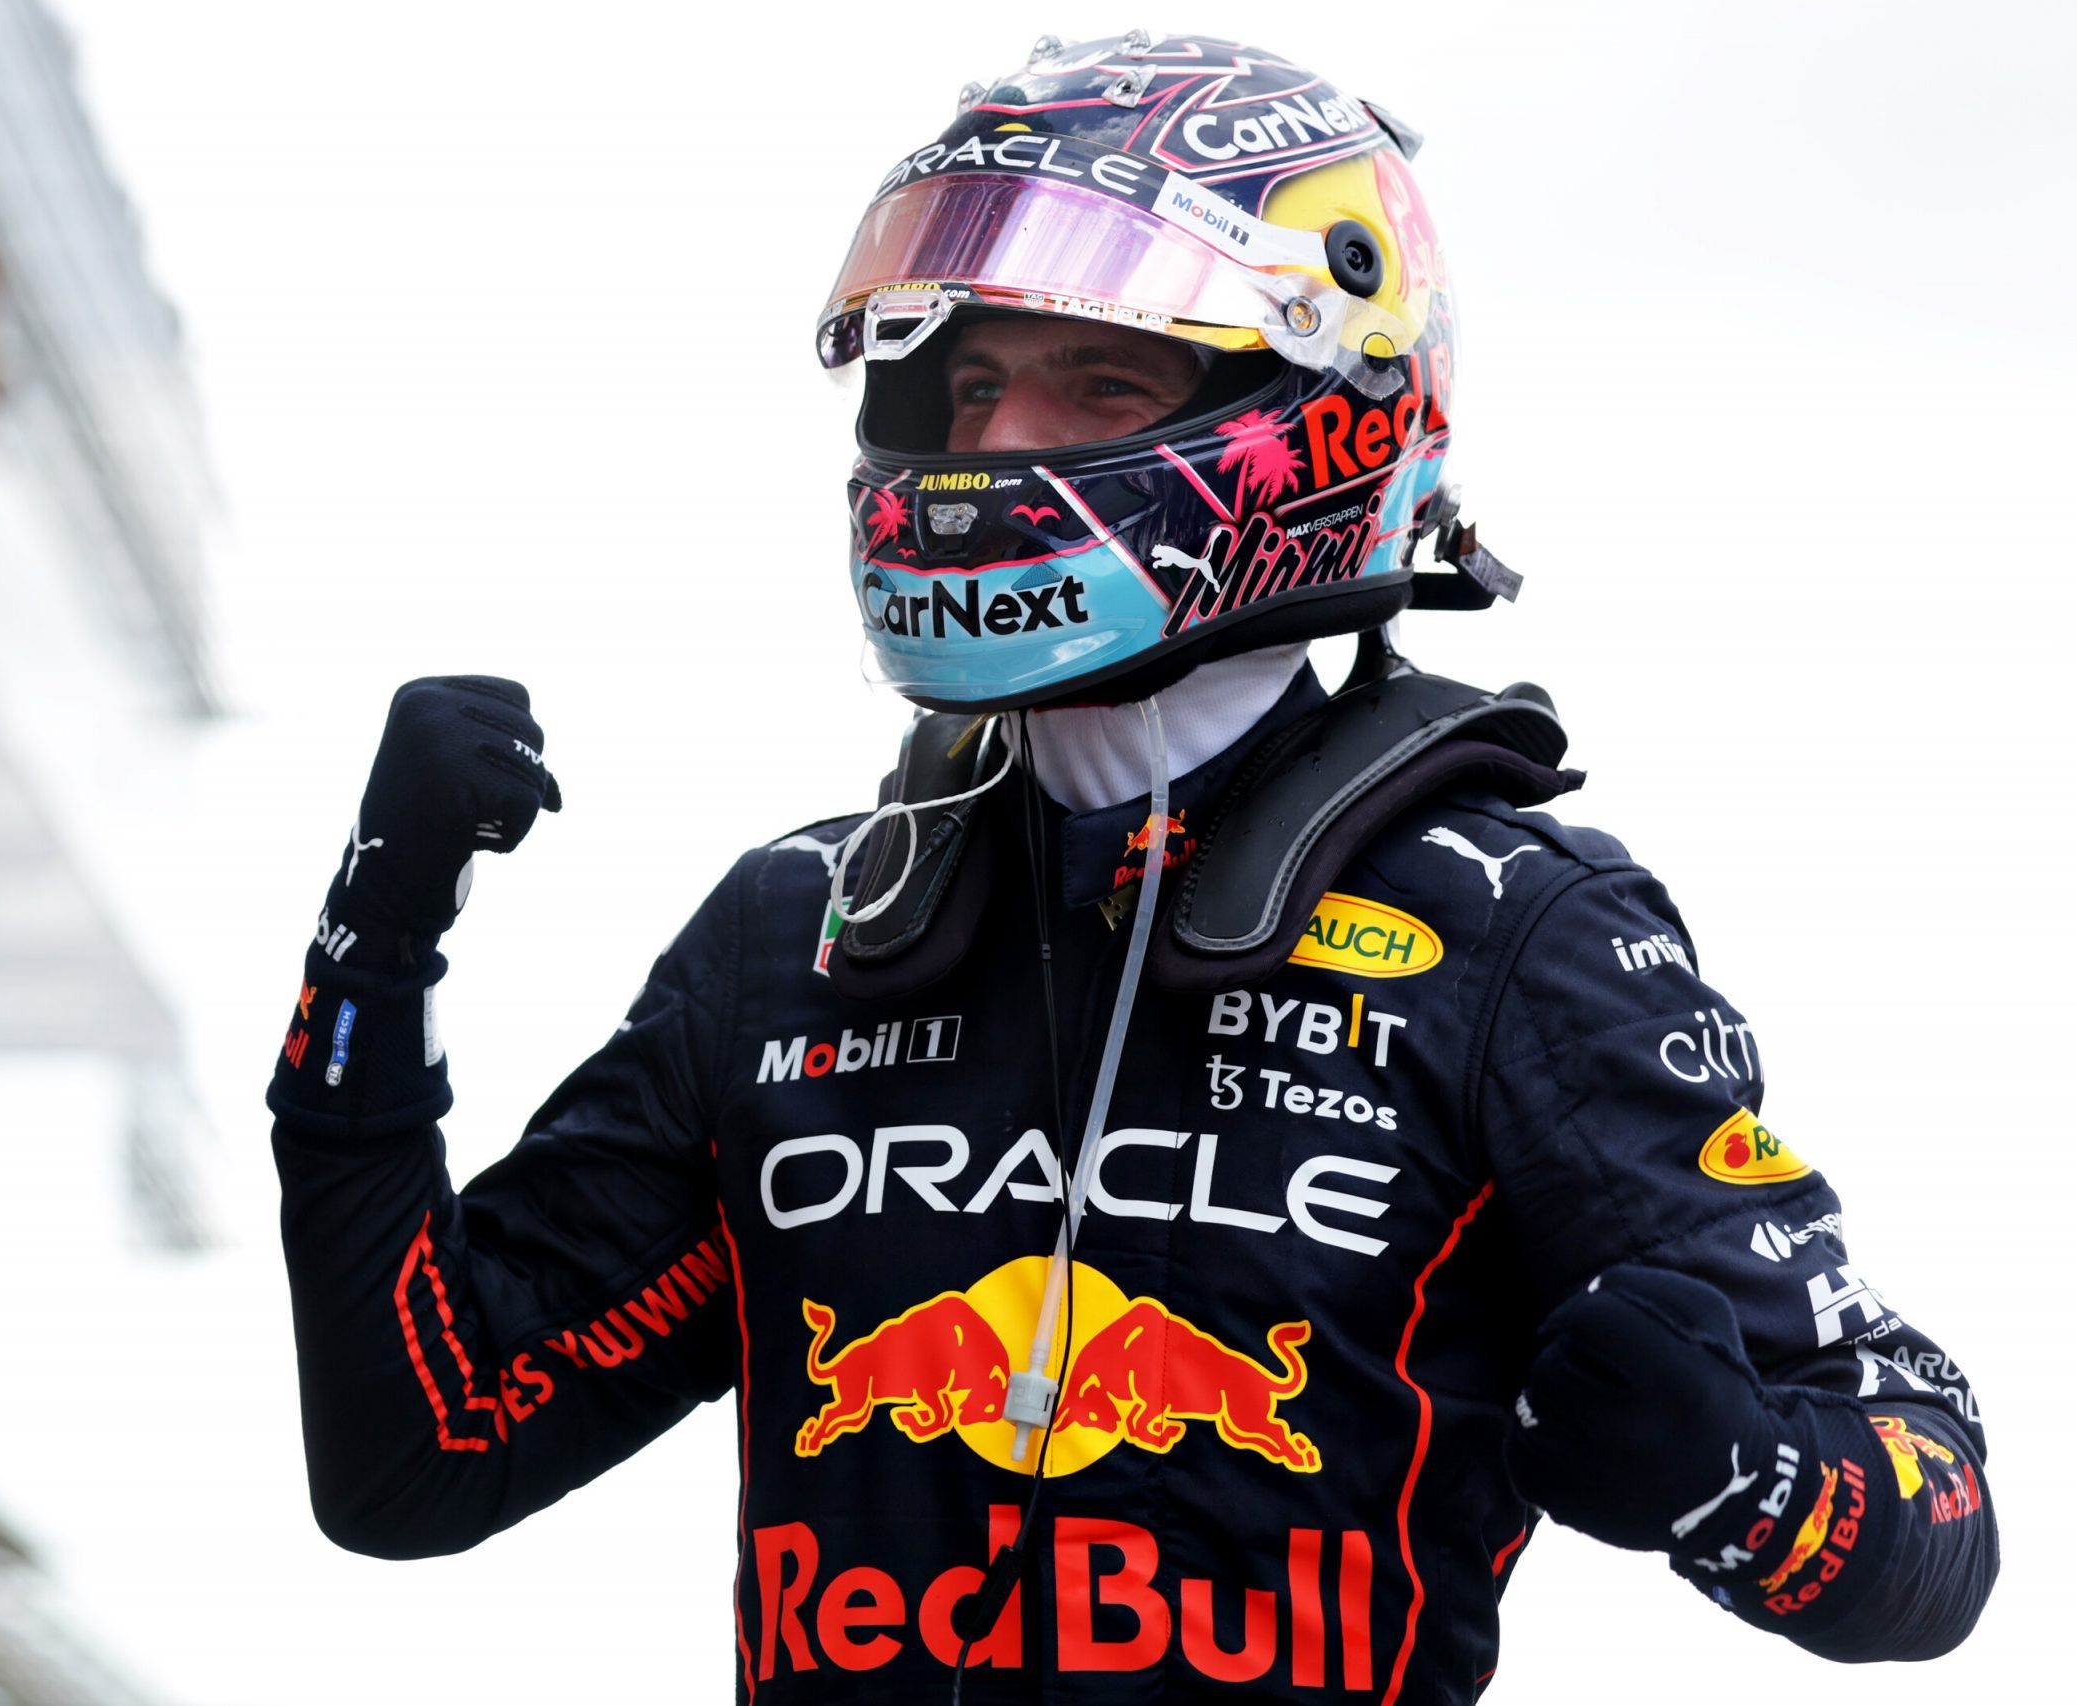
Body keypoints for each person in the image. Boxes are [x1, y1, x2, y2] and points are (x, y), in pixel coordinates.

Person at [266, 32, 1997, 1702]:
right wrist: (375, 946)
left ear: (1318, 414)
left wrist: (1742, 1471)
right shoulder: (797, 930)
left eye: (1100, 378)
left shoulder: (1512, 930)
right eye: (968, 381)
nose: (996, 442)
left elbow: (1934, 1510)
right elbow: (420, 1451)